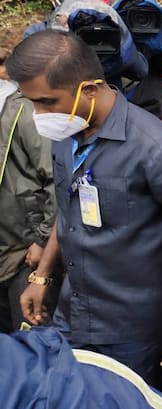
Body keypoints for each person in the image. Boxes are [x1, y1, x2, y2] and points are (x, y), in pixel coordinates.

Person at [8, 30, 162, 394]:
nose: (39, 115)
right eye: (32, 103)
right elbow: (69, 208)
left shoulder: (156, 148)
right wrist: (43, 275)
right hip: (73, 315)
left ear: (89, 90)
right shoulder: (66, 137)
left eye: (47, 101)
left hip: (134, 330)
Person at [0, 75, 58, 333]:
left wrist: (42, 240)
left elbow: (57, 179)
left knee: (32, 339)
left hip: (24, 251)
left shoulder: (24, 110)